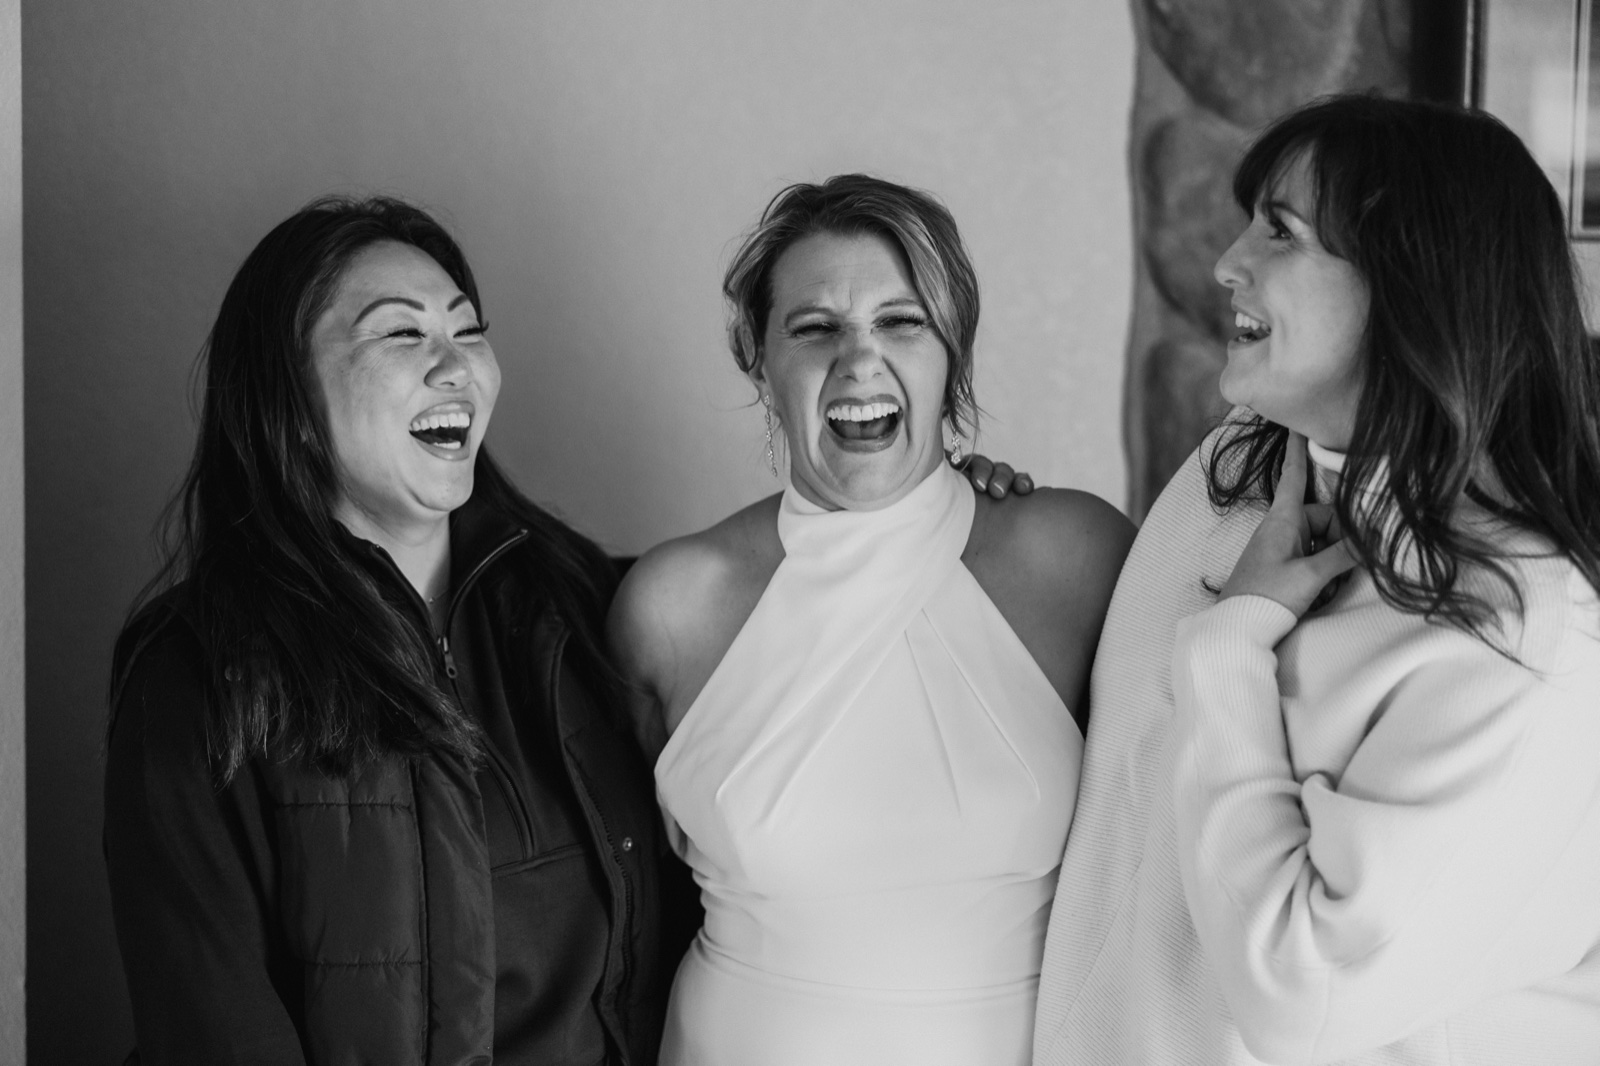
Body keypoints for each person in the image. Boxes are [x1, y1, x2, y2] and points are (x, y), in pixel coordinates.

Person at [1032, 95, 1600, 1065]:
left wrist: (1233, 642)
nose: (1225, 263)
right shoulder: (1232, 477)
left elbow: (1306, 998)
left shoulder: (1529, 640)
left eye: (1279, 232)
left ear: (1410, 284)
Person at [103, 196, 699, 1065]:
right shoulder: (197, 673)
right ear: (290, 394)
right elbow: (212, 1030)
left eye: (468, 331)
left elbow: (800, 600)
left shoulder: (581, 606)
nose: (457, 366)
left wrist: (950, 507)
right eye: (402, 335)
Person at [609, 174, 1135, 1065]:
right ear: (758, 360)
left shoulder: (1074, 556)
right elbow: (619, 897)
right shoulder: (672, 604)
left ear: (952, 354)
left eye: (903, 322)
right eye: (815, 328)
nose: (859, 361)